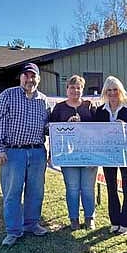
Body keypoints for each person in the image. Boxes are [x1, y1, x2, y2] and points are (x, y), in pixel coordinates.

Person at [0, 63, 50, 247]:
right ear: (21, 77)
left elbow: (47, 127)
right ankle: (13, 231)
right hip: (12, 152)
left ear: (38, 79)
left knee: (36, 191)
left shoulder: (44, 101)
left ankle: (32, 224)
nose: (29, 79)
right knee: (12, 193)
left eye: (33, 76)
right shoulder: (7, 95)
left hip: (37, 151)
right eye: (26, 75)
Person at [50, 75, 98, 230]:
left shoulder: (90, 106)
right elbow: (50, 130)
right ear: (67, 89)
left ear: (82, 90)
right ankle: (74, 218)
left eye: (78, 87)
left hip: (89, 155)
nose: (75, 90)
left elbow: (100, 130)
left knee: (88, 188)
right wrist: (66, 126)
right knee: (72, 188)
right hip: (67, 155)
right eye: (72, 87)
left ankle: (89, 217)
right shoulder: (59, 108)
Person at [95, 76, 127, 234]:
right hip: (108, 155)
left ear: (120, 90)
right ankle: (114, 221)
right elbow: (95, 133)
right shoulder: (100, 111)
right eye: (109, 90)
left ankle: (126, 223)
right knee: (111, 188)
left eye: (115, 89)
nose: (113, 93)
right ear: (105, 92)